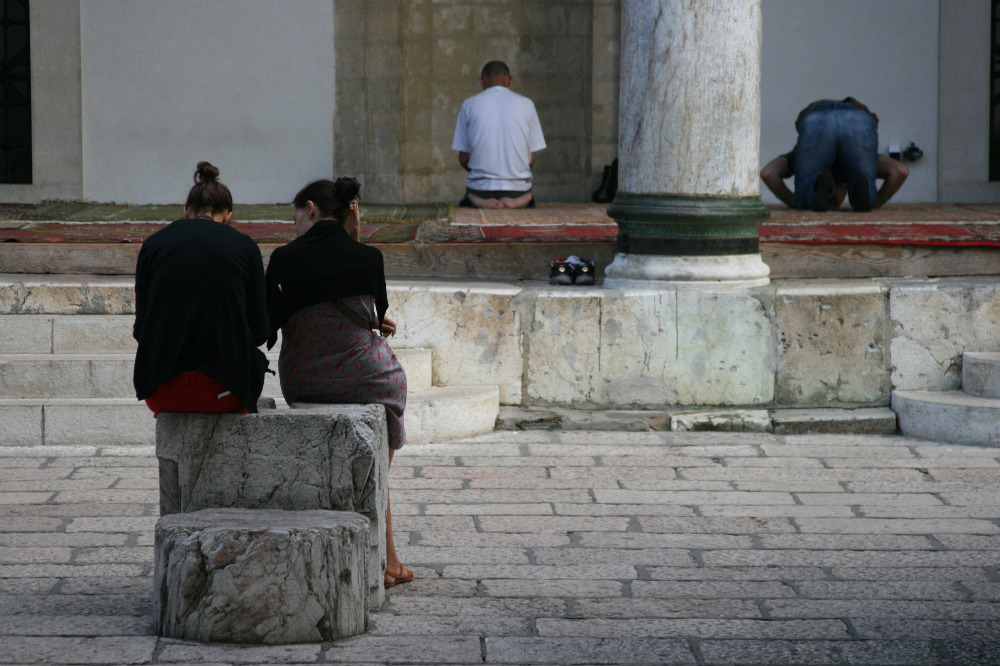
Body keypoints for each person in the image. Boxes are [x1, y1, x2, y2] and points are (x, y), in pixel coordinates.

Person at [265, 176, 412, 589]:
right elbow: (375, 313)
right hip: (369, 380)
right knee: (377, 472)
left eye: (295, 215)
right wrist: (357, 231)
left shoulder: (282, 259)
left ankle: (392, 559)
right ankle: (388, 559)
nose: (294, 224)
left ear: (309, 208)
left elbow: (268, 327)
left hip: (305, 380)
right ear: (348, 212)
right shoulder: (369, 257)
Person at [133, 161, 268, 416]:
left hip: (162, 392)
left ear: (185, 211)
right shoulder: (245, 246)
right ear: (228, 216)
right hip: (225, 392)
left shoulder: (153, 245)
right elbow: (259, 332)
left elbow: (142, 330)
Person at [760, 97, 908, 211]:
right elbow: (900, 170)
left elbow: (769, 173)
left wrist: (794, 202)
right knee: (865, 189)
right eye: (831, 199)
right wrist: (875, 203)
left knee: (806, 194)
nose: (832, 204)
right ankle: (865, 195)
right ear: (844, 187)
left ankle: (812, 188)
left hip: (817, 118)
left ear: (844, 188)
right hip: (858, 118)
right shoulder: (871, 160)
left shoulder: (800, 157)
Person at [452, 60, 546, 209]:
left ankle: (477, 199)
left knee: (470, 194)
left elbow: (463, 158)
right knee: (529, 195)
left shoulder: (469, 105)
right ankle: (519, 200)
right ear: (510, 81)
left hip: (481, 189)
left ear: (482, 81)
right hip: (517, 189)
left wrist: (486, 172)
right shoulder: (527, 104)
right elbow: (531, 160)